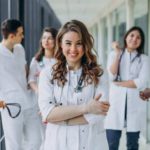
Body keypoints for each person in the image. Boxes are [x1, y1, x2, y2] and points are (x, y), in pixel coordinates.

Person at [38, 20, 110, 150]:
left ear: (86, 45)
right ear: (60, 44)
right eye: (68, 43)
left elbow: (100, 113)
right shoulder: (47, 74)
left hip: (91, 143)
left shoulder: (99, 74)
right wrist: (86, 108)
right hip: (57, 144)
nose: (73, 49)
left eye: (79, 44)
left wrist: (60, 119)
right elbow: (48, 114)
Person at [105, 26, 150, 150]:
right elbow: (112, 75)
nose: (134, 39)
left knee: (133, 145)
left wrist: (119, 83)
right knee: (112, 144)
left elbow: (141, 82)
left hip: (134, 106)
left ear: (141, 42)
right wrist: (118, 54)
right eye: (132, 35)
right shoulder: (114, 54)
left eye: (138, 37)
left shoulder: (144, 59)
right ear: (126, 37)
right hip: (115, 106)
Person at [0, 19, 41, 150]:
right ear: (12, 36)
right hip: (10, 105)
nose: (23, 36)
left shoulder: (19, 49)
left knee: (36, 140)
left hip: (28, 101)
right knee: (14, 145)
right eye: (20, 34)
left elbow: (24, 70)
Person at [28, 27, 58, 150]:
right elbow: (31, 80)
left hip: (58, 102)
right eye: (44, 38)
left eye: (50, 38)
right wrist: (39, 91)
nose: (46, 41)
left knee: (55, 133)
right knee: (44, 134)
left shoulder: (60, 60)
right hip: (40, 102)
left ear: (56, 41)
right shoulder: (36, 60)